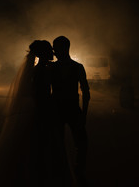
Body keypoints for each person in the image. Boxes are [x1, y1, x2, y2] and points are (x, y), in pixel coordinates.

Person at [0, 40, 55, 187]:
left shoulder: (39, 70)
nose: (53, 52)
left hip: (34, 109)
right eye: (50, 50)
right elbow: (41, 95)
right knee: (36, 147)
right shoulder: (43, 71)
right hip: (40, 111)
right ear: (44, 53)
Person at [51, 36, 90, 187]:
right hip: (70, 110)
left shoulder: (53, 68)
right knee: (80, 144)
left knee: (68, 143)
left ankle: (67, 173)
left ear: (63, 49)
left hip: (62, 110)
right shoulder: (77, 67)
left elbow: (86, 93)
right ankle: (75, 172)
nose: (54, 51)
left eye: (56, 48)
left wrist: (84, 115)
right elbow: (86, 93)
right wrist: (84, 115)